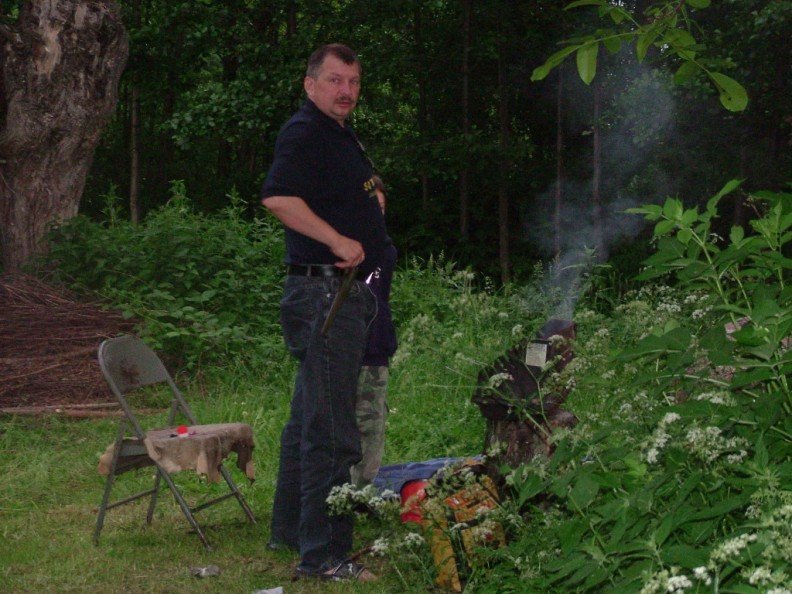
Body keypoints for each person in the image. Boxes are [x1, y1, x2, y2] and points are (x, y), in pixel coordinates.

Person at [260, 43, 388, 582]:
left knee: (306, 420)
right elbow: (279, 198)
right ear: (310, 84)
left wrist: (370, 199)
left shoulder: (337, 135)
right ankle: (325, 556)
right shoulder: (304, 131)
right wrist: (338, 239)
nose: (346, 91)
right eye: (335, 80)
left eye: (353, 82)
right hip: (324, 297)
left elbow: (339, 189)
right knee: (333, 431)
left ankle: (292, 530)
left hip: (332, 295)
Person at [350, 176, 398, 486]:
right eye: (371, 207)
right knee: (337, 424)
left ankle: (361, 492)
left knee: (370, 424)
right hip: (340, 350)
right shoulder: (334, 248)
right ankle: (333, 490)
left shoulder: (386, 251)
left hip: (374, 350)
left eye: (381, 208)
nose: (376, 214)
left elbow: (381, 299)